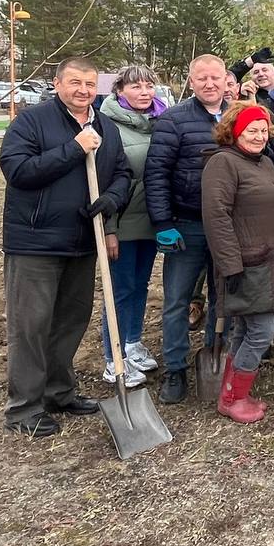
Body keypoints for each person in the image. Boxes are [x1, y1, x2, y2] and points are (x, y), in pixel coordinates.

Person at [0, 56, 131, 437]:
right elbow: (18, 171)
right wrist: (74, 148)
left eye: (90, 84)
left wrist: (113, 198)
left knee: (71, 321)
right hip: (36, 243)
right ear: (57, 84)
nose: (83, 90)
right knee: (31, 326)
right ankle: (24, 408)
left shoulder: (105, 126)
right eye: (75, 82)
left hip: (82, 240)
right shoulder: (32, 122)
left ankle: (58, 392)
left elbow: (122, 172)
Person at [201, 102, 274, 424]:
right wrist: (230, 266)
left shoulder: (263, 161)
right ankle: (233, 398)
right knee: (262, 332)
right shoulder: (223, 163)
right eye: (251, 130)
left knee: (244, 328)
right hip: (246, 263)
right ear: (235, 132)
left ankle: (231, 393)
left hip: (268, 260)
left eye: (263, 131)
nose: (259, 136)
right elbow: (217, 217)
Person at [144, 53, 227, 404]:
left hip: (226, 227)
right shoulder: (174, 120)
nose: (209, 84)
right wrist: (163, 222)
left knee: (223, 299)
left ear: (226, 79)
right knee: (177, 300)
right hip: (187, 224)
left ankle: (214, 353)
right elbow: (156, 173)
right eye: (201, 78)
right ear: (191, 82)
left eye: (215, 77)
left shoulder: (237, 116)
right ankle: (175, 369)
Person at [98, 65, 167, 387]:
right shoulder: (107, 125)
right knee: (120, 290)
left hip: (150, 220)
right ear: (120, 91)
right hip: (122, 222)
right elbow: (104, 181)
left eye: (149, 85)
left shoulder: (159, 122)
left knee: (140, 285)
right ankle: (113, 358)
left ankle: (132, 342)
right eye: (136, 86)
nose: (144, 92)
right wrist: (109, 228)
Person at [232, 48, 274, 178]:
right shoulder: (248, 98)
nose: (261, 74)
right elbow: (228, 78)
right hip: (267, 161)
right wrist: (249, 62)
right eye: (256, 72)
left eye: (265, 70)